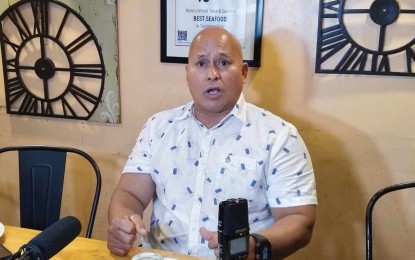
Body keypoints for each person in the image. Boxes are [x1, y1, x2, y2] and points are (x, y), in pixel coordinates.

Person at [107, 26, 317, 259]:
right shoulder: (158, 127)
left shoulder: (279, 136)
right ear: (187, 73)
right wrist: (123, 222)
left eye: (224, 63)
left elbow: (299, 219)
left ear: (244, 72)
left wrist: (253, 246)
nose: (212, 74)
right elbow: (129, 193)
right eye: (201, 63)